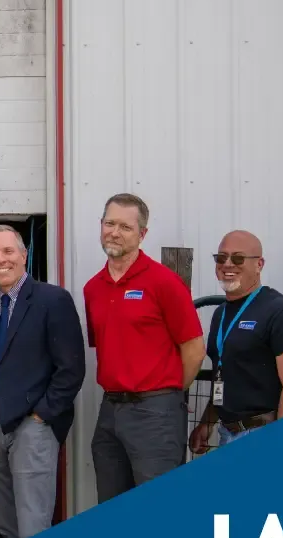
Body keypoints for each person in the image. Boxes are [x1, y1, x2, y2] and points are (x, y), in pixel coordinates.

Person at [85, 193, 205, 502]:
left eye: (125, 227)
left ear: (142, 234)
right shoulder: (93, 288)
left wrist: (167, 395)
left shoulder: (163, 282)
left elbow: (193, 349)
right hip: (110, 411)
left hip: (156, 413)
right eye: (109, 223)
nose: (115, 232)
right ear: (100, 225)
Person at [0, 225, 85, 538]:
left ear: (24, 256)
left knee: (33, 525)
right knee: (6, 524)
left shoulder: (52, 300)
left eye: (8, 251)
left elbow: (71, 368)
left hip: (32, 425)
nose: (1, 260)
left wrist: (41, 416)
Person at [189, 231, 283, 453]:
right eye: (221, 258)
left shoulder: (282, 312)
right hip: (228, 432)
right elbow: (223, 373)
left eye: (238, 258)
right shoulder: (221, 313)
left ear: (259, 264)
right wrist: (207, 423)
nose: (228, 264)